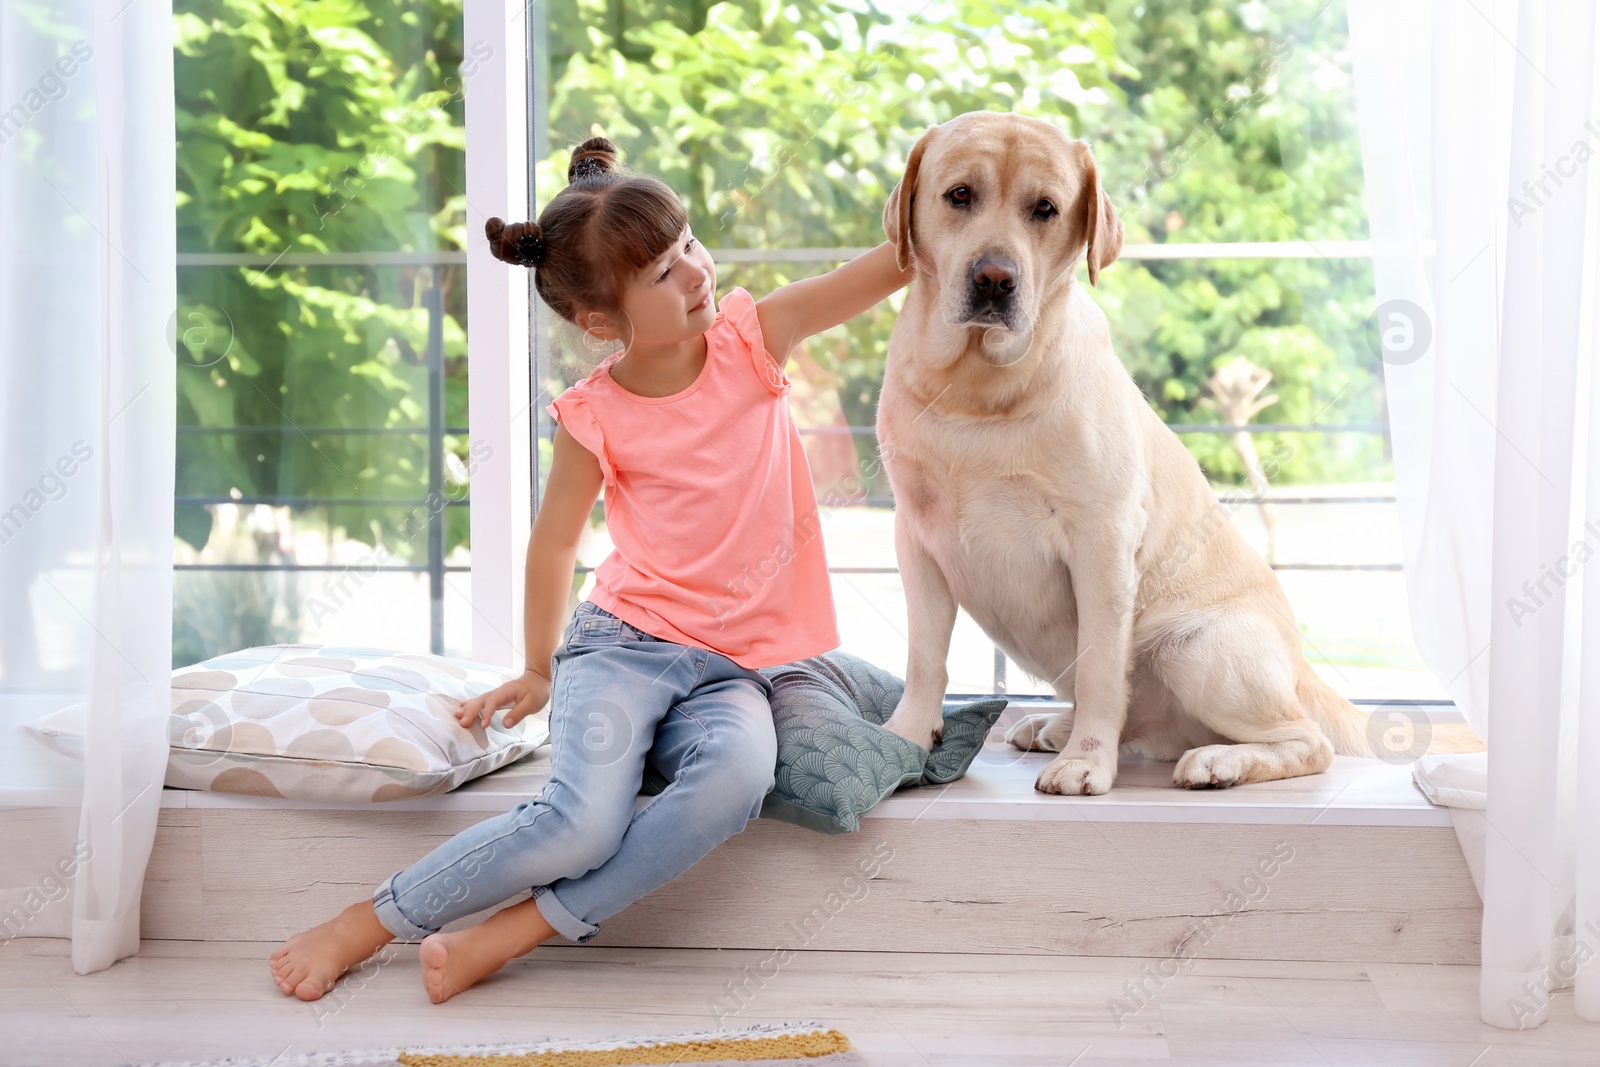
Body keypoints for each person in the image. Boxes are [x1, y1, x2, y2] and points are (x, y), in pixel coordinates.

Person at [269, 135, 913, 1004]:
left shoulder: (755, 337)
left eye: (688, 242)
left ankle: (512, 933)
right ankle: (371, 920)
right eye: (661, 273)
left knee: (737, 777)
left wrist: (953, 187)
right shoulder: (593, 414)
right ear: (602, 321)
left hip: (732, 673)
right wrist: (540, 666)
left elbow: (888, 266)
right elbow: (554, 543)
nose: (694, 272)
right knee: (580, 821)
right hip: (624, 648)